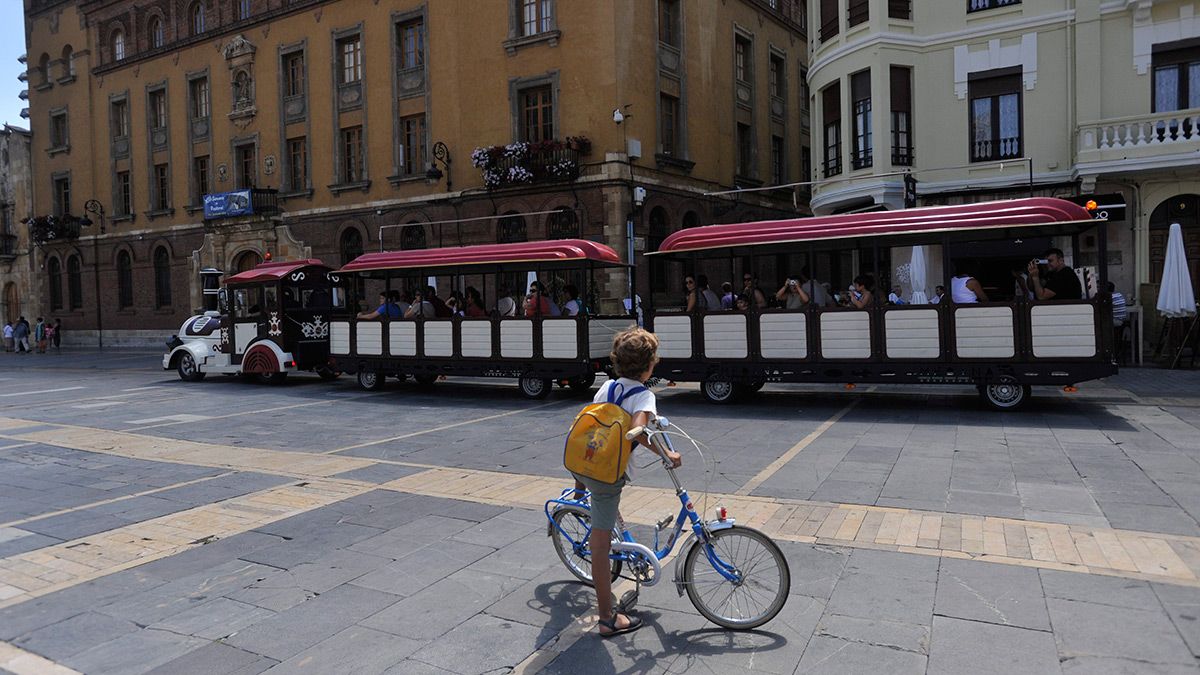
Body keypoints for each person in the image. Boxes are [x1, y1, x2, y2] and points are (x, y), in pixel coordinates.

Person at [571, 327, 680, 637]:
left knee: (592, 488)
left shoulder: (607, 387)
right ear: (649, 366)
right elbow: (639, 430)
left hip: (584, 461)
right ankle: (607, 618)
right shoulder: (644, 395)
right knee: (601, 543)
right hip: (607, 475)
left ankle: (579, 490)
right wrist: (667, 454)